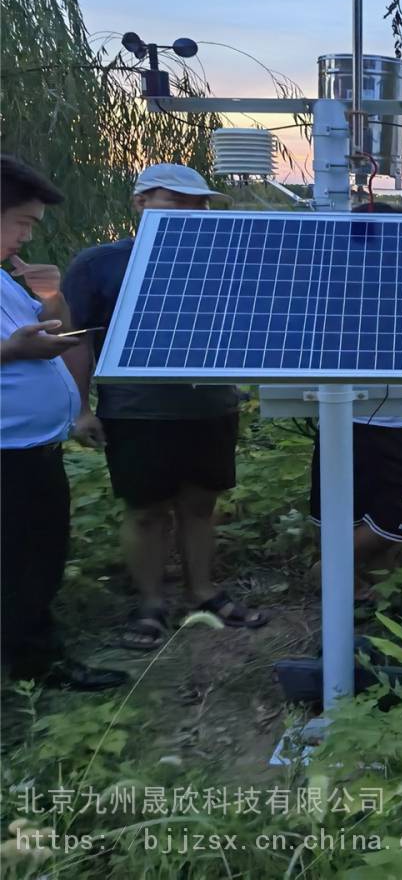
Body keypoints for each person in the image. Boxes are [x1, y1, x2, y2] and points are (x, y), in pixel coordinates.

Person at [62, 163, 268, 650]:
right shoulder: (100, 264)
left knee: (201, 504)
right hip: (136, 409)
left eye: (197, 203)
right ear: (140, 203)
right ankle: (150, 603)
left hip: (211, 406)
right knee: (144, 510)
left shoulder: (223, 260)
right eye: (173, 200)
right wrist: (81, 408)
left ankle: (203, 593)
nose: (188, 211)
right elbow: (76, 341)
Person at [0, 154, 129, 690]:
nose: (25, 238)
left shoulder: (6, 281)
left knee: (37, 565)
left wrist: (50, 296)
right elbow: (15, 349)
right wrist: (11, 352)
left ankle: (37, 663)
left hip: (35, 453)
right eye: (22, 223)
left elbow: (51, 332)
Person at [309, 203, 402, 602]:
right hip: (344, 418)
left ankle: (334, 568)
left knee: (400, 519)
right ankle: (363, 600)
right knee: (342, 513)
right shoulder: (334, 288)